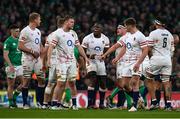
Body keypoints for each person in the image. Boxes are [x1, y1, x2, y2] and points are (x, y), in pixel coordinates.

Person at [101, 18, 148, 111]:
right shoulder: (128, 36)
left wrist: (138, 63)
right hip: (127, 62)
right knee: (125, 85)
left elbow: (145, 50)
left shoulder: (140, 36)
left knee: (134, 82)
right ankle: (139, 99)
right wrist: (117, 58)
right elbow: (125, 48)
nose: (125, 27)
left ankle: (134, 105)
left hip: (136, 61)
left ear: (131, 25)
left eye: (126, 26)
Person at [48, 15, 89, 110]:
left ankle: (74, 105)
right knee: (60, 83)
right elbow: (51, 47)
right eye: (71, 22)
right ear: (66, 22)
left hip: (72, 62)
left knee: (72, 83)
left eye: (73, 22)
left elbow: (78, 47)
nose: (73, 24)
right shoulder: (57, 33)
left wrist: (85, 57)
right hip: (61, 62)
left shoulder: (73, 33)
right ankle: (54, 104)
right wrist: (49, 60)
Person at [18, 12, 45, 109]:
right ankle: (25, 104)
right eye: (39, 19)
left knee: (41, 79)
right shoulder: (25, 31)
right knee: (26, 81)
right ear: (34, 20)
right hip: (27, 59)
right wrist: (32, 51)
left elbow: (40, 45)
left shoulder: (38, 31)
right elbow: (20, 46)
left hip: (37, 60)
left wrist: (44, 51)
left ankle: (39, 103)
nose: (40, 21)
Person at [146, 20, 174, 110]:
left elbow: (149, 49)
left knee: (148, 78)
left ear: (156, 24)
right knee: (166, 82)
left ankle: (154, 102)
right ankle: (168, 105)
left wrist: (151, 58)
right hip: (167, 60)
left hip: (156, 59)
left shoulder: (153, 33)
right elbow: (172, 50)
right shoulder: (170, 34)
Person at [81, 23, 110, 109]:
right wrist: (89, 55)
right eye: (94, 27)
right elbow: (82, 52)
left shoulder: (105, 39)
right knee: (93, 79)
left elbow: (106, 52)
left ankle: (101, 104)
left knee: (103, 83)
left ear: (102, 29)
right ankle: (90, 104)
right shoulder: (87, 38)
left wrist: (105, 56)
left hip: (100, 62)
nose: (95, 28)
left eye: (98, 27)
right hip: (90, 61)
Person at [106, 25, 127, 109]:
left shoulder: (126, 37)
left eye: (120, 28)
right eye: (117, 28)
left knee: (125, 85)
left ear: (125, 29)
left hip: (125, 63)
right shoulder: (122, 38)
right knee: (123, 85)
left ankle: (119, 103)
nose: (117, 29)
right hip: (122, 64)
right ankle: (111, 98)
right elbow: (115, 47)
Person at [3, 24, 23, 108]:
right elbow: (5, 55)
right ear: (11, 31)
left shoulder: (20, 40)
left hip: (20, 65)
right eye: (16, 31)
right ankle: (11, 103)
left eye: (19, 31)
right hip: (11, 66)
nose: (18, 33)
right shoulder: (8, 41)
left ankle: (14, 97)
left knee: (25, 82)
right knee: (11, 85)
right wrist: (10, 66)